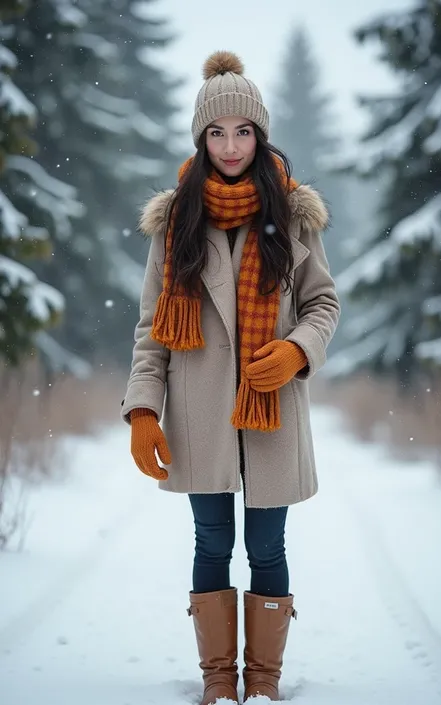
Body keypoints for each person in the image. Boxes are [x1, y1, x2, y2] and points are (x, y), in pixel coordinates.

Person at [121, 50, 340, 705]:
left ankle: (264, 679)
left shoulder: (296, 214)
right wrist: (141, 410)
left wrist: (299, 349)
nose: (230, 145)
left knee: (266, 546)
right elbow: (151, 328)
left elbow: (324, 303)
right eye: (216, 133)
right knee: (212, 539)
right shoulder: (176, 223)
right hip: (199, 409)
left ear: (260, 133)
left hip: (272, 404)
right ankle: (220, 676)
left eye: (243, 130)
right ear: (201, 138)